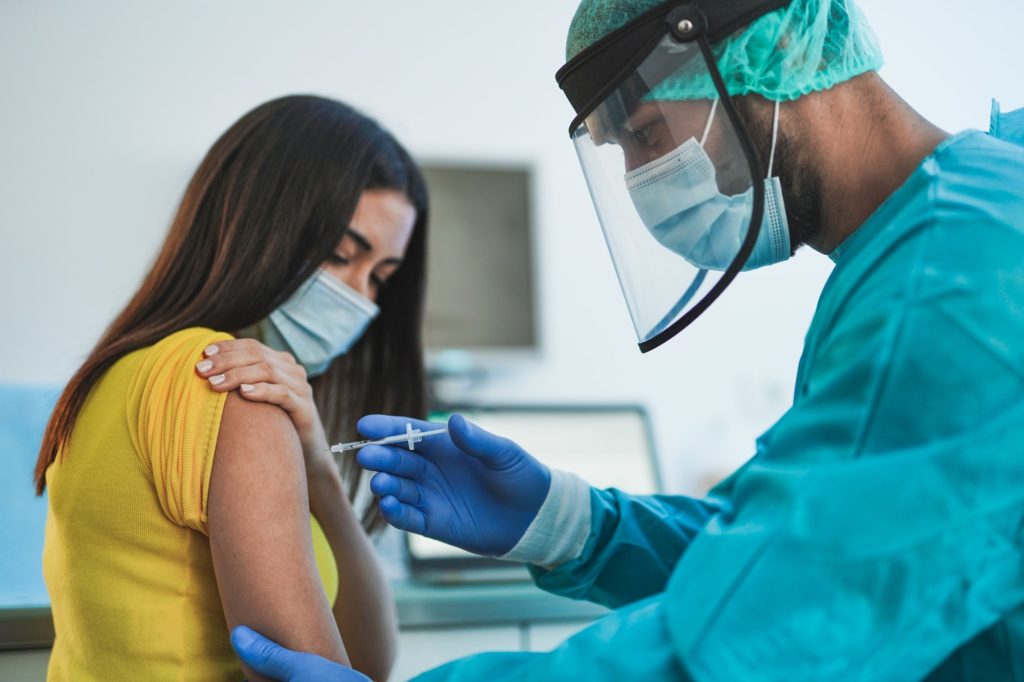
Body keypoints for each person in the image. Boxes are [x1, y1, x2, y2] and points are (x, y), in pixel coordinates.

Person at [234, 0, 1024, 679]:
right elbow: (777, 557)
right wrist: (566, 518)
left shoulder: (945, 291)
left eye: (647, 134)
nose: (647, 185)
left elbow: (747, 646)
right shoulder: (954, 220)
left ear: (776, 48)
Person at [36, 95, 429, 681]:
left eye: (379, 278)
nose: (360, 298)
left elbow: (365, 662)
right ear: (258, 225)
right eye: (340, 255)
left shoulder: (117, 369)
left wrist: (319, 463)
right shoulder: (228, 384)